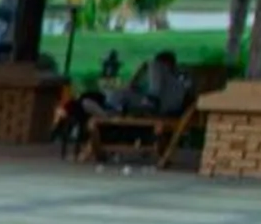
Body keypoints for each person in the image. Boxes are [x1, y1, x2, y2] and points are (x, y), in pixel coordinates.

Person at [57, 50, 186, 157]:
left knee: (94, 98)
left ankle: (106, 110)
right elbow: (134, 87)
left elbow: (147, 88)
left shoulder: (163, 72)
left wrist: (144, 70)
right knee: (95, 98)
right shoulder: (175, 82)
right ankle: (105, 110)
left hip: (152, 106)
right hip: (142, 104)